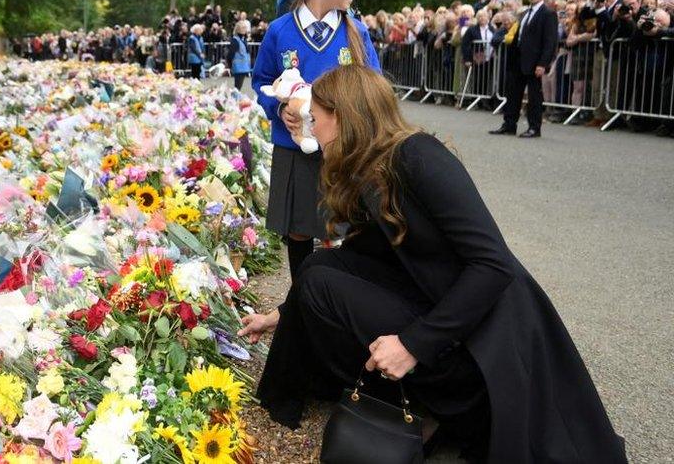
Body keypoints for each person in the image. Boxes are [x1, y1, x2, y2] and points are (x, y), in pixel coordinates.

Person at [241, 63, 629, 463]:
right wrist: (285, 313)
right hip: (444, 311)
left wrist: (412, 345)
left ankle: (444, 408)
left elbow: (493, 264)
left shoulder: (418, 156)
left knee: (322, 284)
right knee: (321, 268)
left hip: (483, 344)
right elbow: (360, 256)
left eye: (316, 119)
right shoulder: (375, 167)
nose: (311, 129)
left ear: (343, 116)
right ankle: (381, 394)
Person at [249, 0, 381, 338]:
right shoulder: (280, 31)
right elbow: (260, 81)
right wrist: (280, 107)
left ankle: (336, 309)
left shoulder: (356, 32)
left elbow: (374, 87)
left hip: (345, 152)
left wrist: (350, 117)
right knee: (300, 229)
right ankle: (299, 308)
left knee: (344, 230)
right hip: (295, 150)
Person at [489, 0, 558, 138]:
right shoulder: (525, 13)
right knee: (512, 93)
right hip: (518, 60)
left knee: (534, 96)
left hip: (534, 61)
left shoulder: (548, 14)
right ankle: (509, 124)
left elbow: (550, 41)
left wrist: (543, 63)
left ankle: (534, 127)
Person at [226, 20, 253, 90]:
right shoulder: (235, 40)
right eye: (243, 28)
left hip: (243, 67)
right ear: (238, 29)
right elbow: (230, 54)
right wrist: (229, 66)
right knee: (237, 87)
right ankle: (235, 99)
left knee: (238, 87)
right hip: (238, 67)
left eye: (245, 27)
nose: (245, 29)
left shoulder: (243, 39)